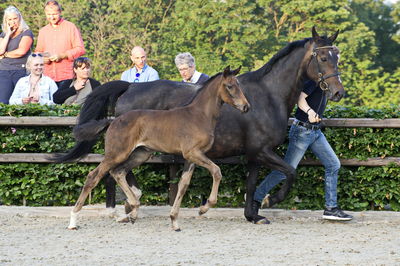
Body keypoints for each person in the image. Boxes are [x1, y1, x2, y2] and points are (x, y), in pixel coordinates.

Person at [252, 79, 353, 221]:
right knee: (285, 171)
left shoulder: (327, 79)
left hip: (316, 132)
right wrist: (310, 112)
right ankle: (255, 198)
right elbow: (299, 98)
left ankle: (331, 209)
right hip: (302, 131)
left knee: (333, 164)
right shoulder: (313, 79)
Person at [35, 0, 85, 87]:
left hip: (67, 75)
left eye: (54, 14)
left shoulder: (70, 27)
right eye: (49, 14)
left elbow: (80, 49)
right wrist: (41, 59)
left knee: (65, 100)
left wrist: (63, 55)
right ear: (45, 13)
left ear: (60, 12)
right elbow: (38, 52)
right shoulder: (43, 31)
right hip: (47, 77)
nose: (52, 17)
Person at [0, 5, 33, 104]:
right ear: (6, 20)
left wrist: (5, 55)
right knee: (3, 101)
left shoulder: (26, 32)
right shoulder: (3, 34)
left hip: (20, 71)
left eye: (15, 18)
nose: (13, 22)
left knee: (21, 101)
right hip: (4, 71)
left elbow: (21, 51)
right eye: (9, 19)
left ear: (20, 18)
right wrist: (8, 34)